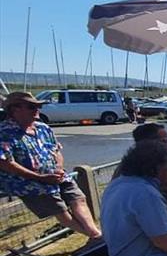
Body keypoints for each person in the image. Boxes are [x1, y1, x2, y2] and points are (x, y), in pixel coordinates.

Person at [0, 92, 103, 241]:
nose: (36, 110)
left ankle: (95, 235)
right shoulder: (4, 132)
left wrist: (59, 169)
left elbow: (56, 150)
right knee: (61, 211)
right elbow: (5, 162)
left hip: (56, 176)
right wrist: (40, 177)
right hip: (30, 182)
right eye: (31, 107)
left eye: (38, 106)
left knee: (78, 198)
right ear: (14, 109)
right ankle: (98, 237)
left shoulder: (43, 128)